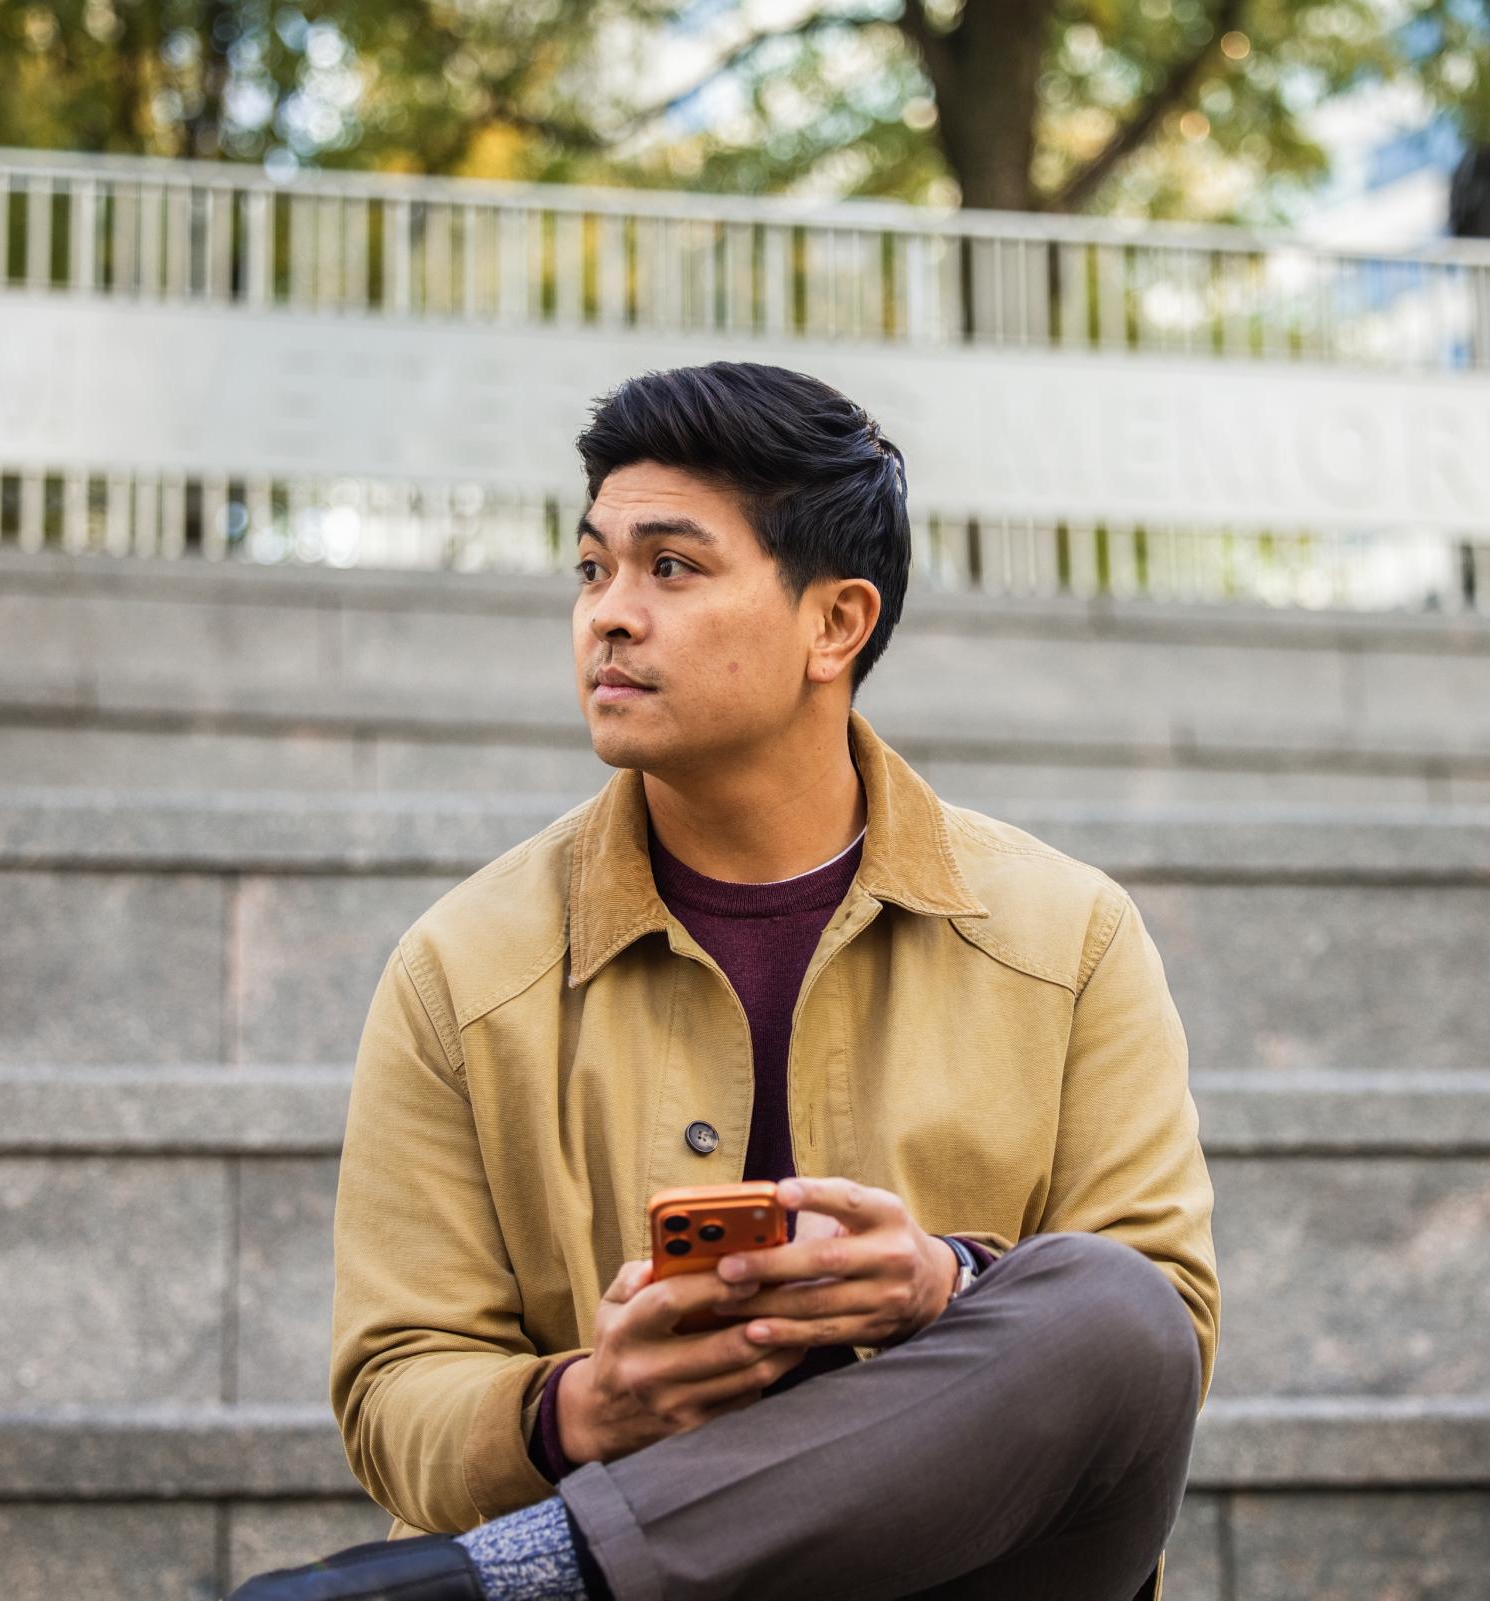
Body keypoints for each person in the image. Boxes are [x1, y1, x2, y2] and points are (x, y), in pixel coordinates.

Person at [239, 363, 1218, 1601]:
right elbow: (396, 1385)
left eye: (672, 567)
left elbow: (1160, 1337)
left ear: (835, 623)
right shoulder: (463, 966)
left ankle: (539, 1574)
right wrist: (586, 1405)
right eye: (593, 568)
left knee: (1113, 1306)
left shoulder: (1066, 934)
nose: (609, 613)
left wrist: (941, 1284)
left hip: (976, 1570)